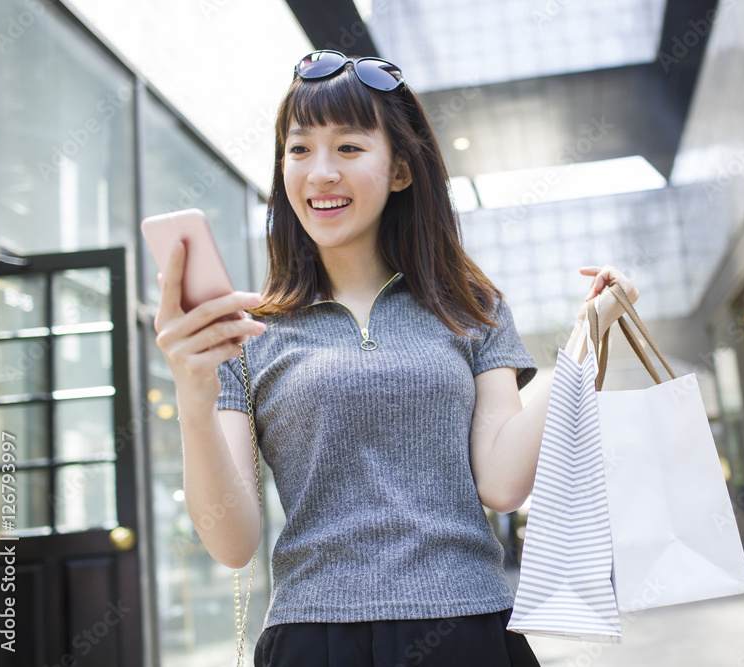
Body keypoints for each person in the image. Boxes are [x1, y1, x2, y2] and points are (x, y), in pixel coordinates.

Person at [152, 50, 639, 667]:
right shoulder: (250, 331)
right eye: (299, 149)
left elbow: (501, 482)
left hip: (467, 629)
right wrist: (192, 396)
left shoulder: (470, 307)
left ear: (402, 170)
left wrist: (587, 336)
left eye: (349, 149)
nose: (319, 172)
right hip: (316, 639)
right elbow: (232, 542)